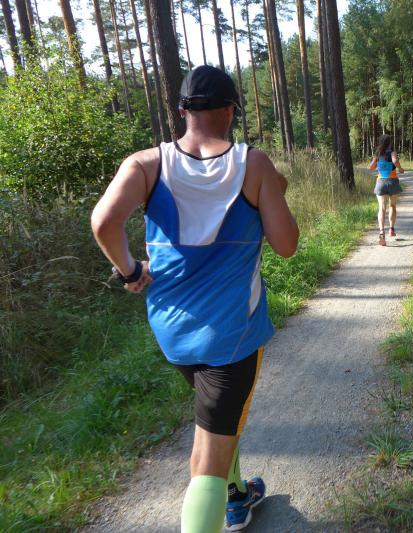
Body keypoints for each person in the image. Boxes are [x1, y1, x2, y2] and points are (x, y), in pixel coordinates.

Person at [91, 65, 299, 532]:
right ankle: (219, 500)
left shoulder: (145, 164)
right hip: (231, 335)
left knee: (219, 423)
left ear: (183, 110)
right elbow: (287, 245)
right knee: (207, 456)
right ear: (230, 111)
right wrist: (272, 190)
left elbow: (104, 222)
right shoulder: (253, 164)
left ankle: (237, 496)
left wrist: (130, 270)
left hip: (173, 332)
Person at [369, 134, 405, 246]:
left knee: (382, 207)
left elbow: (371, 167)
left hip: (381, 182)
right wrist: (400, 169)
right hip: (393, 182)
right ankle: (391, 229)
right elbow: (395, 161)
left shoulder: (378, 154)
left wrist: (378, 164)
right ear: (389, 143)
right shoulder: (392, 152)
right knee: (392, 205)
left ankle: (381, 233)